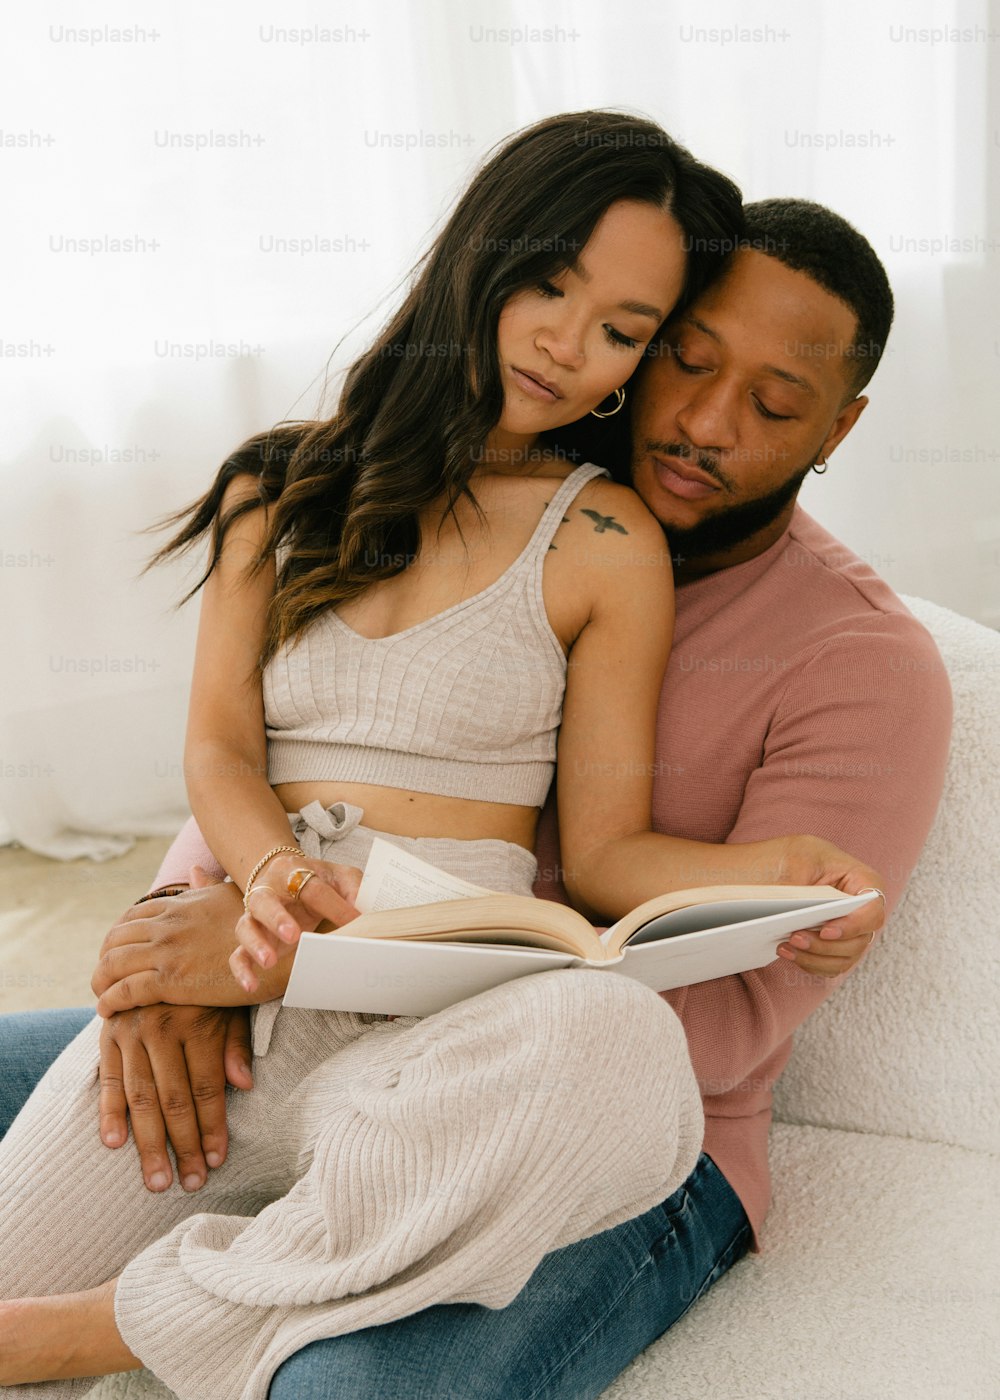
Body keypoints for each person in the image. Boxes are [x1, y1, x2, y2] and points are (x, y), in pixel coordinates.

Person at [0, 187, 930, 1400]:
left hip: (565, 1107)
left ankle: (129, 1320)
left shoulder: (848, 658)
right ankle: (288, 1237)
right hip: (300, 994)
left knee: (366, 1363)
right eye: (680, 360)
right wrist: (187, 944)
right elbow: (256, 754)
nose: (703, 420)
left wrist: (801, 881)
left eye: (770, 403)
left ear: (838, 426)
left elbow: (721, 1006)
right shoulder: (420, 491)